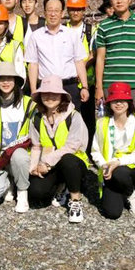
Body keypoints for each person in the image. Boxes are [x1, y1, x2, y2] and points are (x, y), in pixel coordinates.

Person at [28, 76, 90, 223]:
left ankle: (75, 199)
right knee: (37, 193)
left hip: (74, 163)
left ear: (62, 96)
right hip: (50, 164)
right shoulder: (36, 118)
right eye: (45, 93)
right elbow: (36, 146)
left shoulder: (74, 116)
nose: (50, 97)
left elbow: (72, 146)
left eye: (54, 94)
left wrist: (47, 163)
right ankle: (61, 185)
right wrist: (34, 167)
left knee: (68, 160)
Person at [0, 62, 36, 213]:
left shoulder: (28, 103)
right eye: (1, 79)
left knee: (19, 155)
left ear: (16, 81)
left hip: (22, 157)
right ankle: (9, 181)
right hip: (1, 160)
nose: (6, 82)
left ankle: (22, 193)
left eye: (9, 78)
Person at [91, 82, 135, 219]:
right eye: (115, 100)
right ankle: (122, 192)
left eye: (122, 100)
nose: (118, 104)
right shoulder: (102, 123)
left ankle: (131, 193)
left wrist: (117, 162)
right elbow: (95, 150)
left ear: (129, 102)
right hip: (108, 170)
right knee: (112, 213)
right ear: (109, 103)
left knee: (120, 172)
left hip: (131, 169)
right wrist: (104, 165)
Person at [25, 0, 89, 111]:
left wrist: (85, 87)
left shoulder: (71, 35)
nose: (53, 14)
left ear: (62, 13)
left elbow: (79, 62)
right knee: (47, 120)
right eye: (50, 10)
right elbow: (33, 64)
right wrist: (34, 90)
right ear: (44, 13)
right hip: (46, 88)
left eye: (56, 11)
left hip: (69, 86)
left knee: (72, 119)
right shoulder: (36, 36)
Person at [65, 0, 97, 142]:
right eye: (72, 9)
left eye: (78, 9)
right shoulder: (62, 29)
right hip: (68, 82)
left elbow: (94, 53)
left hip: (87, 83)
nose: (75, 12)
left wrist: (82, 66)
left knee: (87, 118)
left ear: (84, 11)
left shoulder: (91, 30)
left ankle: (88, 148)